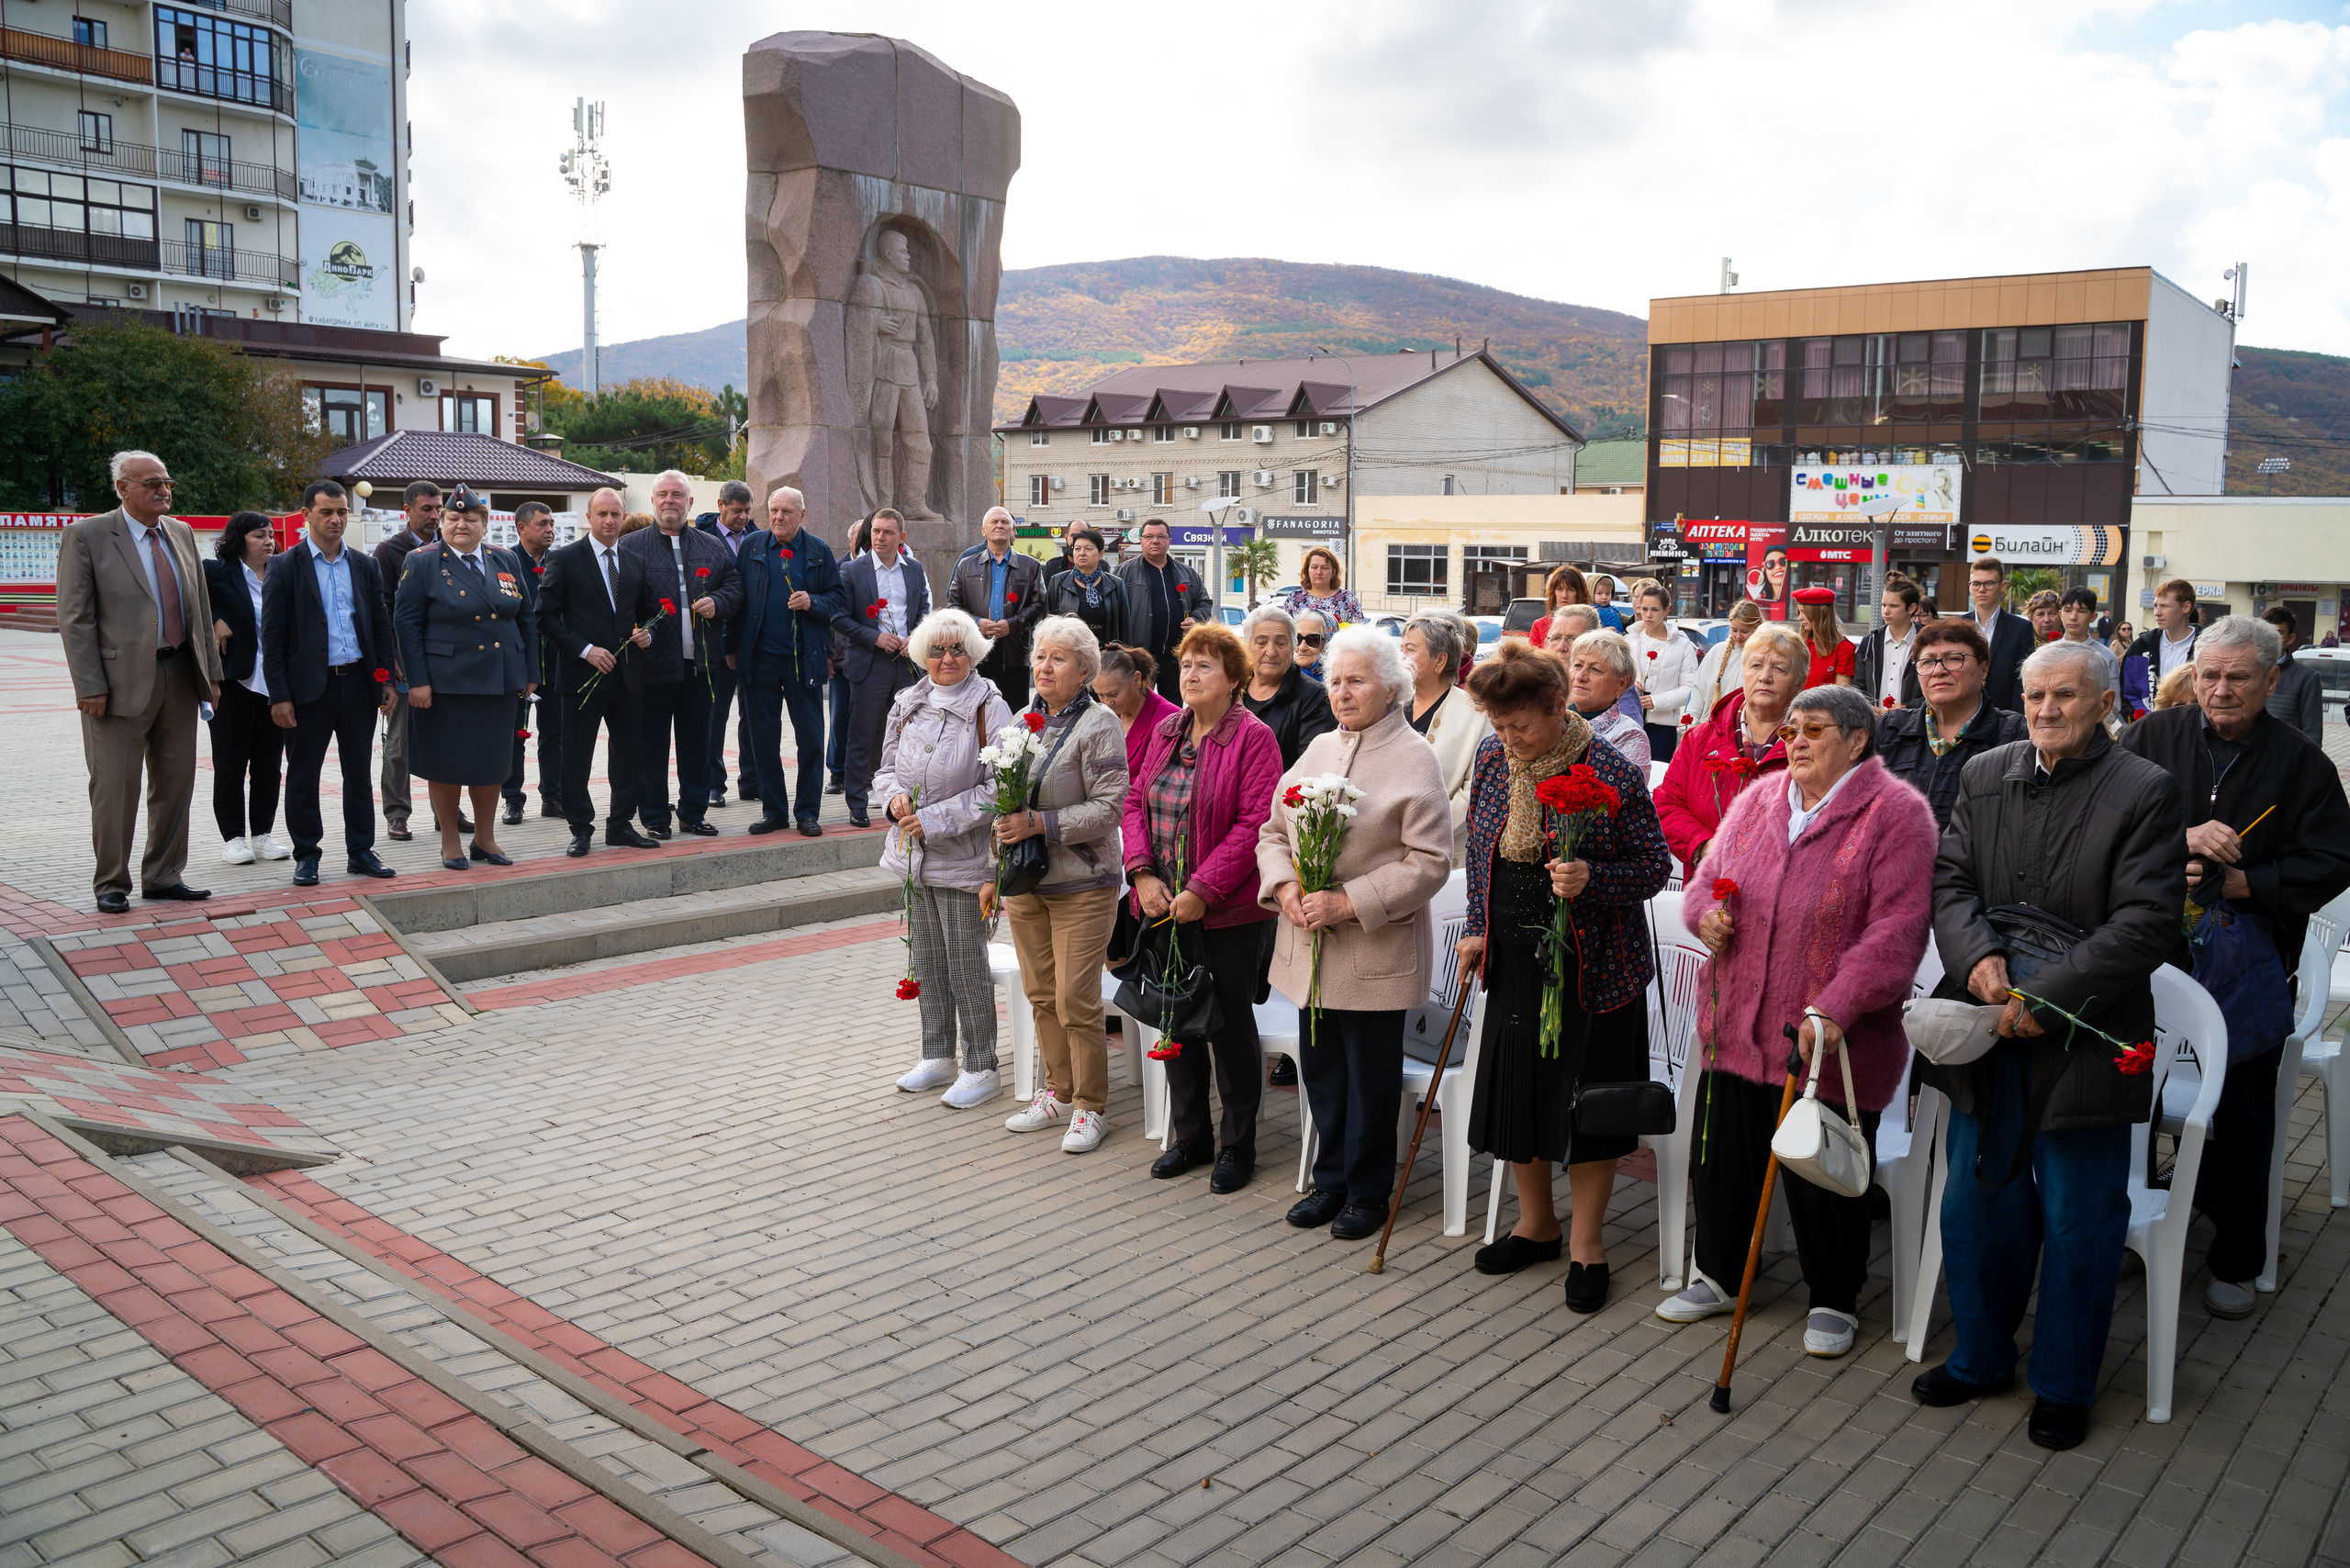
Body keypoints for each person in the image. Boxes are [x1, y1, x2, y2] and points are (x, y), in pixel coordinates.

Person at [1919, 640, 2184, 1451]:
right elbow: (1952, 881)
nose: (2045, 710)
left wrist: (2052, 995)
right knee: (1976, 1204)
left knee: (2078, 1218)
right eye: (2035, 695)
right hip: (1990, 1019)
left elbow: (2146, 923)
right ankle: (1982, 1357)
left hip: (2085, 1026)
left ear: (2105, 702)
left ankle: (2066, 1383)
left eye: (2065, 696)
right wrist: (1977, 959)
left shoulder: (2145, 788)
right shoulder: (1985, 771)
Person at [1664, 684, 1937, 1357]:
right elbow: (1704, 880)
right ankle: (1723, 1273)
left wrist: (1838, 1005)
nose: (1796, 741)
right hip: (1737, 1021)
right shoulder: (1759, 798)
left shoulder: (1896, 814)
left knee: (1825, 1171)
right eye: (1791, 730)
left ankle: (1835, 1296)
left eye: (1814, 729)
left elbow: (1899, 930)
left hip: (1831, 1038)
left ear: (1857, 739)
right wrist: (1707, 917)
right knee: (1725, 1160)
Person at [2119, 615, 2350, 1319]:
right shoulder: (2153, 737)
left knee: (2244, 1109)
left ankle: (2237, 1255)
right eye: (2209, 675)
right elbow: (2106, 815)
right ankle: (2130, 1217)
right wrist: (2180, 836)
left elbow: (2334, 859)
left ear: (2272, 680)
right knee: (2131, 1093)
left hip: (2247, 960)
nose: (2220, 690)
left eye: (2238, 677)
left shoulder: (2302, 762)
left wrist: (2252, 882)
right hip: (2147, 949)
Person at [1457, 644, 1671, 1313]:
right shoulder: (1494, 759)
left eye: (1519, 724)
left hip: (1596, 964)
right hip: (1516, 953)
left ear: (1557, 705)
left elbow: (1654, 866)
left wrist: (1593, 879)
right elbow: (1479, 848)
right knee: (1521, 1092)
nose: (1508, 738)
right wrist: (1476, 924)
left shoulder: (1607, 767)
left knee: (1588, 1102)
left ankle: (1587, 1244)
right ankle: (1535, 1224)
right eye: (1497, 725)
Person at [1258, 626, 1452, 1241]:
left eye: (1356, 681)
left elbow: (1429, 862)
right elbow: (1272, 832)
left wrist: (1347, 901)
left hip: (1374, 951)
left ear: (1390, 686)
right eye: (1335, 681)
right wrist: (1286, 888)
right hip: (1311, 948)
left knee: (1370, 1078)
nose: (1341, 692)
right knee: (1322, 1074)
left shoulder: (1415, 757)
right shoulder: (1318, 747)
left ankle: (1368, 1191)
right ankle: (1330, 1181)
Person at [1125, 622, 1284, 1192]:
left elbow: (1253, 826)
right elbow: (1132, 802)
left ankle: (1238, 1146)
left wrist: (1202, 890)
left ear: (1235, 678)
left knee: (1229, 1027)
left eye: (1204, 666)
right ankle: (1190, 1136)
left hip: (1226, 911)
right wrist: (1143, 874)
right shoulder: (1168, 730)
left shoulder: (1254, 738)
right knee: (1175, 1017)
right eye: (1186, 665)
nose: (1189, 675)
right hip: (1162, 903)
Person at [57, 450, 224, 912]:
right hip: (115, 685)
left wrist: (211, 674)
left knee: (175, 783)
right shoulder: (87, 535)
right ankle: (111, 881)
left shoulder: (181, 533)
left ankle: (164, 874)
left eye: (166, 482)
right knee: (115, 787)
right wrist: (88, 685)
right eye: (151, 483)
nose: (162, 490)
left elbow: (200, 610)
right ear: (122, 488)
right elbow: (75, 618)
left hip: (179, 674)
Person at [997, 616, 1130, 1155]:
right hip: (1026, 882)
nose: (1043, 665)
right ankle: (1057, 1090)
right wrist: (996, 862)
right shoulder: (1023, 720)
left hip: (1082, 882)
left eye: (1058, 658)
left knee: (1077, 998)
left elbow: (1110, 807)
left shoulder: (1099, 724)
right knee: (1040, 994)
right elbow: (1002, 796)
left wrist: (1041, 825)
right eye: (1040, 655)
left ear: (1084, 669)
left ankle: (1090, 1107)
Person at [877, 608, 1019, 1110]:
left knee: (966, 965)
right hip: (914, 857)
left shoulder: (991, 707)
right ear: (922, 654)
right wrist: (894, 798)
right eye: (937, 650)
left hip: (966, 859)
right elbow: (886, 769)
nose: (947, 658)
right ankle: (937, 1054)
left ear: (974, 652)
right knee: (929, 961)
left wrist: (934, 819)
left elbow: (1001, 789)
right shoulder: (908, 703)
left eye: (958, 648)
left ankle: (981, 1065)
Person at [262, 480, 398, 889]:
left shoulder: (364, 564)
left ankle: (361, 852)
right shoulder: (285, 566)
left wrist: (385, 679)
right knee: (304, 774)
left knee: (359, 772)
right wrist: (280, 695)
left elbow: (378, 624)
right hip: (308, 690)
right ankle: (307, 855)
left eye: (341, 512)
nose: (336, 519)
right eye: (326, 512)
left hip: (358, 683)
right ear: (306, 515)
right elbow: (273, 638)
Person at [394, 487, 538, 871]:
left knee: (492, 763)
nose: (462, 525)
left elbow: (525, 618)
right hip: (446, 682)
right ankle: (450, 842)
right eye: (453, 519)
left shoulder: (504, 558)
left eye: (471, 519)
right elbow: (406, 624)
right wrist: (418, 680)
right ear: (441, 522)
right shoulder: (422, 561)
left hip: (500, 677)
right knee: (447, 764)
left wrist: (531, 673)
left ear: (484, 524)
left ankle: (485, 838)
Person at [537, 487, 663, 857]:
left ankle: (621, 825)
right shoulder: (564, 559)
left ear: (624, 518)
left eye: (616, 514)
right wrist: (585, 650)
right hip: (582, 677)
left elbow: (651, 610)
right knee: (576, 756)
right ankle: (580, 828)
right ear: (588, 518)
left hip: (627, 677)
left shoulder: (634, 561)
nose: (610, 521)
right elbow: (543, 616)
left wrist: (648, 633)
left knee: (629, 755)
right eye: (603, 514)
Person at [620, 471, 742, 841]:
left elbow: (734, 586)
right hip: (653, 664)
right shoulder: (632, 546)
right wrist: (635, 629)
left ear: (690, 503)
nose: (669, 500)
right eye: (663, 494)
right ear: (653, 501)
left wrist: (717, 601)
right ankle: (655, 816)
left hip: (701, 663)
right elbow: (620, 599)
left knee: (697, 744)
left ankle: (693, 813)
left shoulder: (711, 545)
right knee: (652, 745)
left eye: (677, 495)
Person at [728, 486, 846, 837]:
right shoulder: (752, 546)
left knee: (810, 739)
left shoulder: (818, 550)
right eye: (774, 510)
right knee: (763, 739)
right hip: (759, 659)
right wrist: (730, 648)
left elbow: (837, 598)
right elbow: (736, 598)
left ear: (802, 515)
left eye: (786, 512)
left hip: (803, 659)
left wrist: (813, 602)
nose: (778, 517)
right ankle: (774, 811)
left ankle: (807, 812)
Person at [1653, 622, 1806, 879]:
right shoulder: (1698, 739)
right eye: (1756, 665)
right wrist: (1704, 846)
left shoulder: (1811, 746)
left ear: (1799, 682)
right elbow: (1667, 804)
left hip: (1781, 889)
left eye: (1779, 668)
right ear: (1743, 671)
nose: (1765, 676)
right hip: (1708, 887)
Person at [828, 509, 932, 830]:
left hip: (906, 664)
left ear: (902, 537)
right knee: (862, 735)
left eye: (887, 532)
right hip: (869, 665)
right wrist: (875, 637)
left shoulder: (913, 569)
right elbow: (839, 617)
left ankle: (903, 799)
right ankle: (857, 803)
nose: (880, 537)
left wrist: (915, 635)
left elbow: (925, 608)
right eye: (875, 531)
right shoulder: (851, 570)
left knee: (907, 736)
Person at [1874, 621, 2029, 830]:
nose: (1938, 671)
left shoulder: (2014, 734)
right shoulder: (1889, 729)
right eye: (1927, 662)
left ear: (1984, 669)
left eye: (1954, 659)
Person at [203, 511, 286, 866]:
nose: (268, 541)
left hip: (276, 684)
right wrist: (215, 621)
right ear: (239, 539)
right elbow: (187, 602)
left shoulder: (283, 572)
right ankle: (233, 838)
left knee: (269, 765)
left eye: (270, 534)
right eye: (258, 535)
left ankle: (262, 835)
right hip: (234, 681)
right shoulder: (216, 570)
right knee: (230, 763)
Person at [374, 481, 442, 841]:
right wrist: (394, 659)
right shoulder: (388, 552)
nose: (434, 516)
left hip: (444, 662)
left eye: (437, 508)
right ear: (407, 510)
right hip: (404, 664)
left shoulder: (450, 547)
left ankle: (446, 811)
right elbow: (381, 610)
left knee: (444, 742)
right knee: (399, 743)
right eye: (426, 509)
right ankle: (397, 814)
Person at [1401, 613, 1493, 865]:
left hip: (1446, 854)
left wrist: (1421, 832)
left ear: (1440, 660)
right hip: (1387, 850)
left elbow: (1475, 789)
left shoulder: (1476, 713)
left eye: (1409, 650)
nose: (1401, 658)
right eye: (1401, 649)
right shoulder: (1392, 704)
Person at [697, 480, 761, 806]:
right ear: (721, 505)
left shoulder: (758, 538)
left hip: (752, 642)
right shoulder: (701, 538)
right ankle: (713, 784)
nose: (744, 518)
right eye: (737, 511)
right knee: (714, 716)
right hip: (716, 643)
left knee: (753, 715)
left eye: (748, 511)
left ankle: (751, 781)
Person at [947, 507, 1046, 711]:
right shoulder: (966, 565)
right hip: (975, 652)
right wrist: (977, 623)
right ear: (984, 530)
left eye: (1004, 522)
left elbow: (1039, 605)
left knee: (1013, 714)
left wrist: (1013, 625)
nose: (999, 525)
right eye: (994, 522)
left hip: (1014, 654)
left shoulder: (1031, 566)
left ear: (1013, 531)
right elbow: (953, 605)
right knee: (973, 712)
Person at [503, 503, 564, 823]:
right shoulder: (505, 561)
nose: (549, 529)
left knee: (555, 734)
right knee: (516, 735)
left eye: (552, 523)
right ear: (522, 528)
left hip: (555, 663)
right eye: (542, 524)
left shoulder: (560, 561)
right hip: (520, 666)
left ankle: (553, 796)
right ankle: (513, 798)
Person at [1115, 518, 1214, 703]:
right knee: (1138, 707)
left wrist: (1196, 619)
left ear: (1169, 541)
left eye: (1161, 536)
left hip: (1176, 657)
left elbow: (1204, 602)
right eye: (1149, 536)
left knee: (1174, 710)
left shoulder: (1187, 573)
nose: (1155, 541)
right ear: (1141, 540)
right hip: (1139, 657)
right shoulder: (1123, 573)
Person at [1239, 606, 1337, 768]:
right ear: (1248, 647)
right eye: (1261, 642)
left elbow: (1310, 765)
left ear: (1293, 649)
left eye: (1281, 643)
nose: (1271, 652)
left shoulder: (1314, 697)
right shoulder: (1232, 687)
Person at [1625, 579, 1699, 757]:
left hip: (1663, 726)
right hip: (1629, 720)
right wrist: (1629, 686)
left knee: (1658, 776)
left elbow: (1690, 687)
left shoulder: (1682, 645)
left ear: (1666, 611)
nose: (1648, 615)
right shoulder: (1629, 641)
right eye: (1644, 609)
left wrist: (1657, 701)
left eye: (1655, 609)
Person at [1564, 630, 1653, 774]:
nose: (1580, 676)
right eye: (1578, 665)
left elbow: (1622, 795)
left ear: (1621, 684)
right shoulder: (1553, 718)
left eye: (1595, 669)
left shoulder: (1629, 735)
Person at [826, 515, 871, 796]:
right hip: (841, 658)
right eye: (861, 535)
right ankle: (836, 772)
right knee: (840, 717)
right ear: (850, 540)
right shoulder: (838, 568)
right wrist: (828, 655)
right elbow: (828, 617)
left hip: (870, 657)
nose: (864, 540)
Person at [1965, 556, 2036, 712]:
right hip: (1961, 713)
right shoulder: (1958, 626)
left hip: (2003, 716)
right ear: (1970, 586)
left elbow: (2022, 680)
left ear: (2003, 586)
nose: (1981, 589)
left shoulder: (2021, 628)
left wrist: (2015, 720)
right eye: (1976, 584)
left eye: (1989, 583)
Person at [1043, 527, 1127, 647]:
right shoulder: (1057, 582)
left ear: (1100, 554)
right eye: (1077, 549)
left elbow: (1124, 626)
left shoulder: (1115, 584)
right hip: (1069, 653)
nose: (1082, 553)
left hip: (1106, 655)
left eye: (1088, 548)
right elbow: (1048, 625)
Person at [1853, 575, 1924, 711]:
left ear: (1911, 608)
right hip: (1875, 722)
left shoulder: (1926, 641)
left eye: (1893, 606)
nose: (1886, 611)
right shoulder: (1870, 642)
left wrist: (1908, 708)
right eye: (1883, 605)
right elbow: (1857, 686)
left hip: (1913, 722)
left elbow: (1935, 688)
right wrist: (1867, 707)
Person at [2261, 606, 2324, 745]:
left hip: (2285, 761)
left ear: (2290, 638)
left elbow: (2312, 735)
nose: (2270, 637)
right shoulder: (2245, 671)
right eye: (2265, 631)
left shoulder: (2306, 678)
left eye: (2278, 632)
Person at [1688, 600, 1763, 716]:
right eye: (1734, 630)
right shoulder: (1717, 651)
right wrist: (1690, 724)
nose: (1738, 636)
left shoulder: (1765, 657)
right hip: (1711, 729)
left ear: (1758, 628)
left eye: (1744, 631)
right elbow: (1698, 692)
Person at [2057, 587, 2120, 698]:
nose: (2073, 617)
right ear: (2061, 614)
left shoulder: (2105, 656)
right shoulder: (2049, 654)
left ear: (2093, 617)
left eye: (2081, 611)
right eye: (2068, 610)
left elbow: (2113, 703)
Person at [1281, 546, 1363, 627]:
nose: (1319, 572)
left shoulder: (1348, 599)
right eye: (1314, 567)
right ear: (1307, 570)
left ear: (1333, 572)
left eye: (1324, 568)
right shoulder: (1294, 598)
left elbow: (1358, 631)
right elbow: (1285, 630)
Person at [1794, 586, 1852, 689]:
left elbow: (1841, 695)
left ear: (1822, 613)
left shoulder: (1844, 649)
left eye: (1804, 612)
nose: (1800, 617)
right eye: (1799, 612)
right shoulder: (1797, 644)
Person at [1525, 565, 1588, 651]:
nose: (1564, 596)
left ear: (1579, 593)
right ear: (1553, 593)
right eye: (1559, 589)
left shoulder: (1588, 624)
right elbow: (1533, 661)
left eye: (1571, 590)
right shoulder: (1540, 625)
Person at [1292, 609, 1329, 680]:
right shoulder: (1279, 675)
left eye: (1313, 639)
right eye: (1297, 638)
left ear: (1327, 643)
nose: (1302, 648)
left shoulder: (1337, 680)